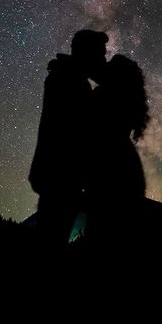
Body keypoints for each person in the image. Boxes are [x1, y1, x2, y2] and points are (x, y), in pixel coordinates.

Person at [28, 29, 109, 250]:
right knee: (51, 240)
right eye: (100, 54)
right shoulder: (70, 82)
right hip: (61, 177)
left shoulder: (68, 78)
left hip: (59, 177)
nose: (103, 59)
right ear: (87, 54)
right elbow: (76, 133)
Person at [85, 54, 150, 245]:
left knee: (102, 232)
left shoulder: (105, 95)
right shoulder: (128, 97)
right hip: (127, 166)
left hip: (108, 168)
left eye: (110, 66)